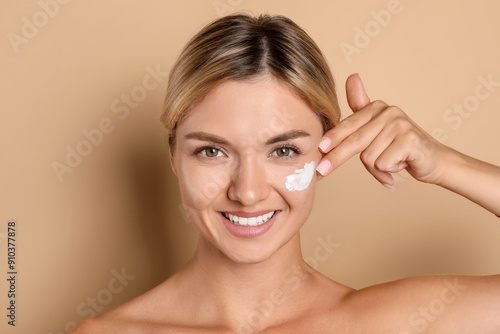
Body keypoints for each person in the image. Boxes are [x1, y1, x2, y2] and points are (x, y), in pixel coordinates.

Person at [69, 13, 500, 333]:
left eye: (284, 150)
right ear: (173, 157)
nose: (248, 192)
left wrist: (445, 164)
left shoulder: (391, 323)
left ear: (328, 147)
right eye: (213, 150)